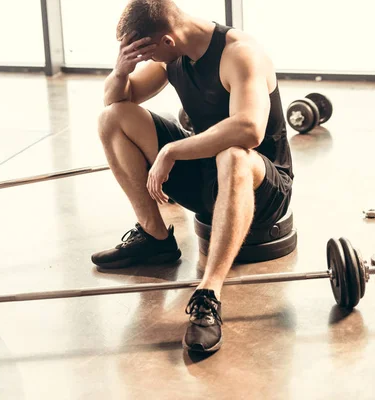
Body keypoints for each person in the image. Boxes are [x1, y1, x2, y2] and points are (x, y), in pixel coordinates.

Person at [92, 0, 293, 353]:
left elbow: (249, 130)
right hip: (207, 175)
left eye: (146, 53)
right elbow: (116, 101)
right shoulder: (174, 56)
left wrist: (171, 151)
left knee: (233, 155)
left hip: (262, 184)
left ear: (167, 41)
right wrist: (121, 71)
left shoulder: (240, 54)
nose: (148, 62)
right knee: (111, 119)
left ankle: (208, 293)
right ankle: (155, 238)